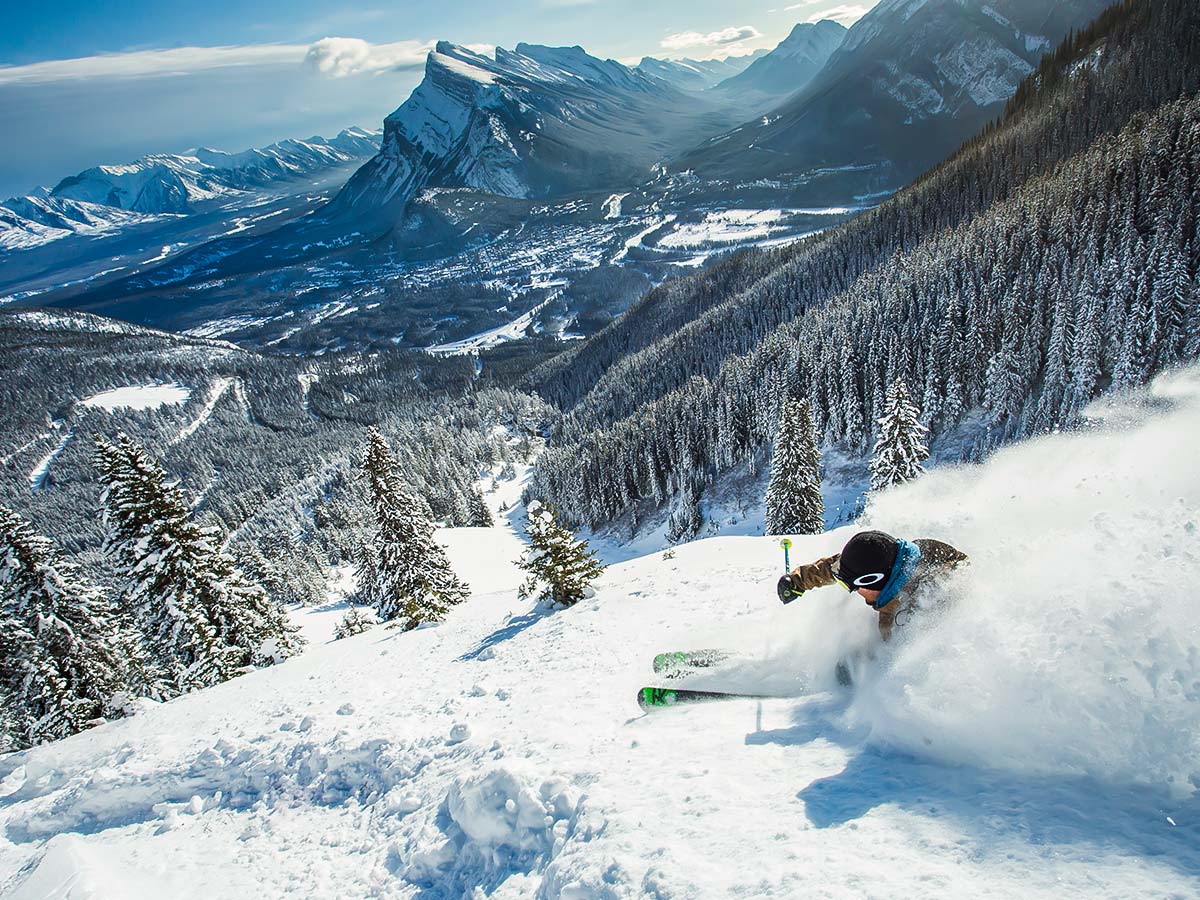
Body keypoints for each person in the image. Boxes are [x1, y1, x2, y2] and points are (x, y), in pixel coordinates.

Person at [777, 530, 967, 642]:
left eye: (853, 586)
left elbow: (907, 654)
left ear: (873, 581)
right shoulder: (885, 559)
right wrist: (798, 581)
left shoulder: (931, 595)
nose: (853, 592)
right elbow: (835, 567)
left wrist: (870, 666)